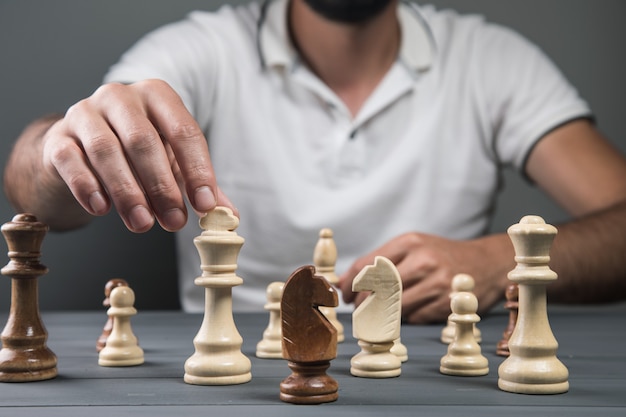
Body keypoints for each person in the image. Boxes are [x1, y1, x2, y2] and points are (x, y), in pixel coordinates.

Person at [4, 0, 626, 323]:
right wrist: (64, 145)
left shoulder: (494, 60)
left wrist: (501, 263)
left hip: (429, 365)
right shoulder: (202, 48)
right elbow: (35, 186)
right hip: (245, 375)